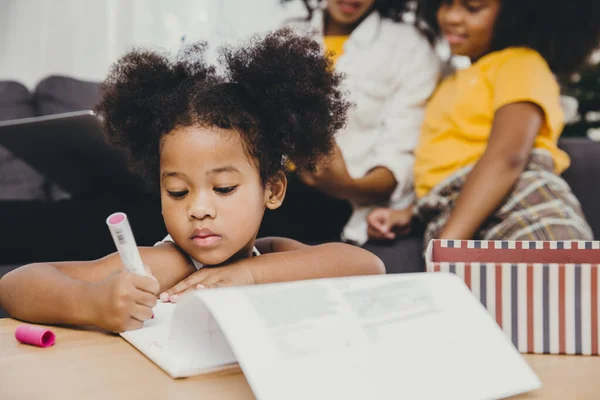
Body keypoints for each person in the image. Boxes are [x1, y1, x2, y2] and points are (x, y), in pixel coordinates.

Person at [0, 29, 385, 333]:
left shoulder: (269, 256)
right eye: (178, 192)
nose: (199, 209)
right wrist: (91, 303)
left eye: (223, 189)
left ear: (273, 189)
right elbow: (16, 283)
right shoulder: (164, 264)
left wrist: (248, 274)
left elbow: (367, 266)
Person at [368, 0, 600, 246]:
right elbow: (451, 165)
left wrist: (448, 243)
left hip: (524, 204)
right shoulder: (451, 82)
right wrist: (410, 213)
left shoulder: (519, 62)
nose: (452, 18)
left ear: (514, 17)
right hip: (458, 215)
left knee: (557, 284)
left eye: (473, 8)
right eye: (446, 4)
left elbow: (508, 156)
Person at [261, 0, 440, 245]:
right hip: (273, 196)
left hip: (348, 210)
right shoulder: (288, 33)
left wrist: (348, 186)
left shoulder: (409, 46)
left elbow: (402, 152)